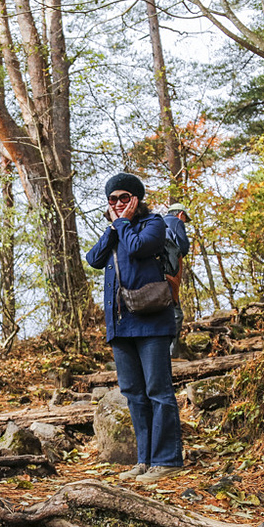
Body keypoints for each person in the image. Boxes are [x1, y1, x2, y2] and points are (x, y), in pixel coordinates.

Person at [86, 173, 184, 483]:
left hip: (152, 320)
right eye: (112, 199)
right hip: (120, 325)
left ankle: (167, 459)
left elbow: (140, 248)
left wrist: (123, 223)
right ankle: (145, 461)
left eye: (123, 198)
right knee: (134, 395)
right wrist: (115, 225)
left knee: (158, 391)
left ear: (136, 199)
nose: (117, 203)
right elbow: (93, 259)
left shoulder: (154, 224)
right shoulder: (116, 229)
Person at [162, 203, 191, 360]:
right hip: (169, 275)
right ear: (180, 214)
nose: (184, 222)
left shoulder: (156, 221)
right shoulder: (176, 222)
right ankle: (170, 353)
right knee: (176, 314)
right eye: (185, 219)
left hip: (152, 278)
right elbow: (183, 247)